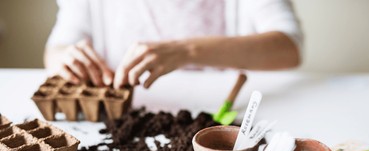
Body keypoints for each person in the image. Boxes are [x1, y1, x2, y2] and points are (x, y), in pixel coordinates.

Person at [44, 0, 303, 89]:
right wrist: (66, 58)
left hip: (222, 118)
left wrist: (187, 51)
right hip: (120, 127)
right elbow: (56, 50)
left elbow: (288, 47)